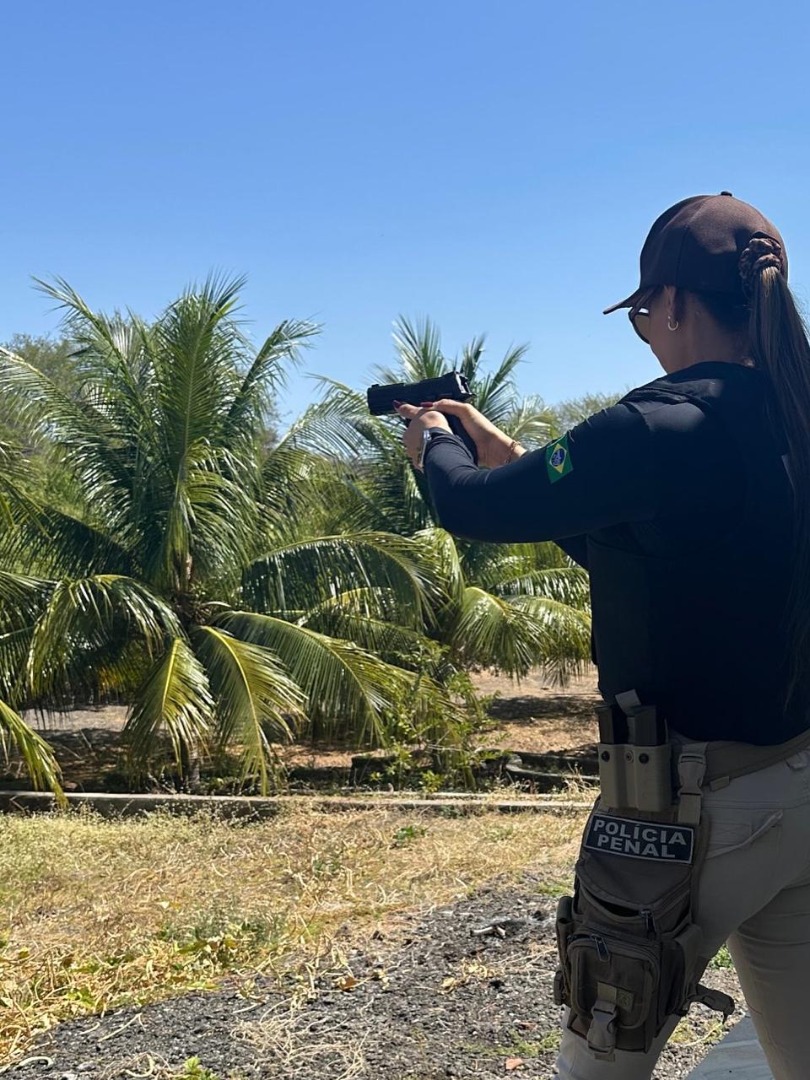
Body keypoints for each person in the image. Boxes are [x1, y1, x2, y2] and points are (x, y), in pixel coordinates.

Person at [395, 192, 810, 1080]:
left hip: (686, 810)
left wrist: (433, 439)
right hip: (798, 780)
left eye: (641, 314)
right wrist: (513, 456)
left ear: (673, 302)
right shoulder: (793, 415)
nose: (646, 332)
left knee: (599, 1065)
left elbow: (468, 506)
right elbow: (649, 548)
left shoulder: (656, 422)